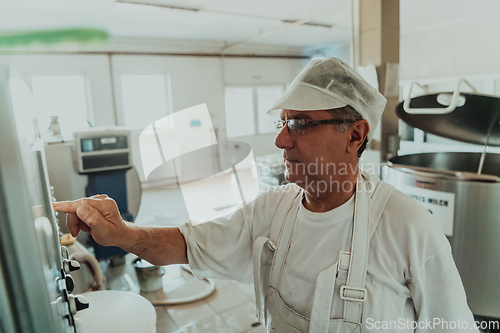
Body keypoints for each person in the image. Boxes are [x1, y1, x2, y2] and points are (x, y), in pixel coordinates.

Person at [54, 58, 478, 332]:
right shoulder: (274, 208)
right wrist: (125, 234)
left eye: (300, 124)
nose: (280, 140)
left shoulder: (407, 227)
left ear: (355, 133)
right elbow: (189, 244)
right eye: (283, 122)